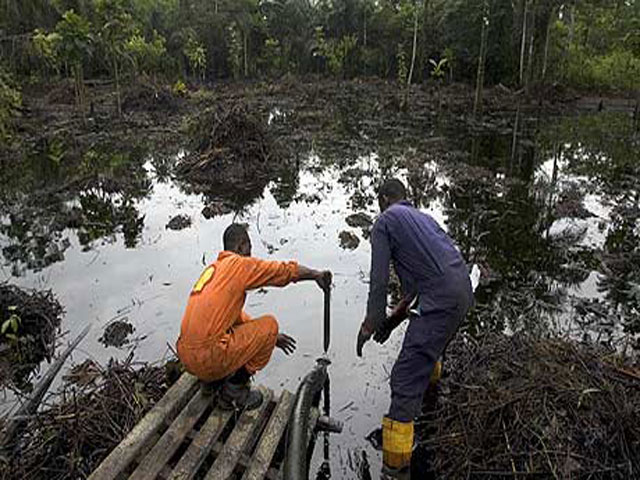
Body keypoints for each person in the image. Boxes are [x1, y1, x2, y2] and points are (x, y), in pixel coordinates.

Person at [356, 179, 473, 477]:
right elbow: (418, 288)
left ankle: (395, 468)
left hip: (440, 299)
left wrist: (370, 323)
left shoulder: (384, 222)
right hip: (462, 292)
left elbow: (379, 281)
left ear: (383, 199)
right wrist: (391, 324)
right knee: (430, 349)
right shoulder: (423, 219)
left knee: (405, 378)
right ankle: (431, 410)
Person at [177, 223, 332, 411]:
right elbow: (281, 272)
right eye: (249, 246)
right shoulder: (238, 264)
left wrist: (271, 340)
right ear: (241, 246)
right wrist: (315, 275)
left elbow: (232, 317)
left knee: (240, 332)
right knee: (270, 325)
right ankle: (234, 391)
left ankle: (211, 382)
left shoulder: (213, 270)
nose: (250, 252)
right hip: (210, 357)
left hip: (187, 358)